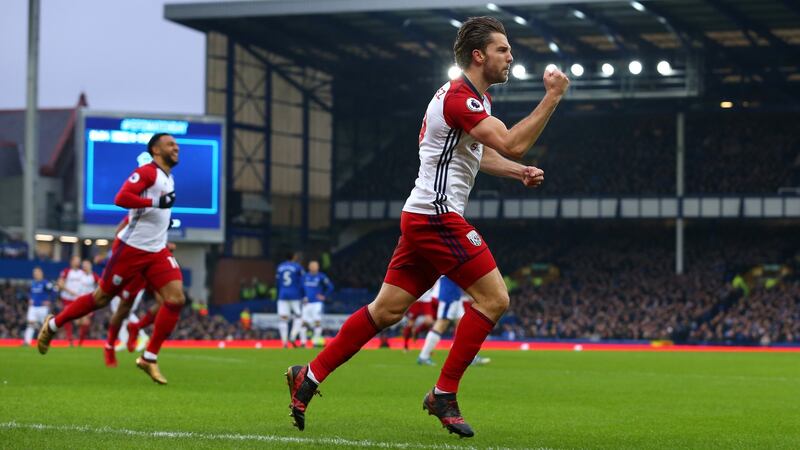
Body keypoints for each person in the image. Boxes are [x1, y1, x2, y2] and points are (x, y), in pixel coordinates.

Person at [286, 16, 568, 437]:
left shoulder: (470, 100)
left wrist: (517, 172)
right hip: (437, 216)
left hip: (421, 214)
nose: (511, 57)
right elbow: (510, 140)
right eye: (502, 50)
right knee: (494, 300)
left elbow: (482, 153)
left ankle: (307, 376)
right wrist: (553, 97)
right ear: (478, 55)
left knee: (386, 311)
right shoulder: (460, 98)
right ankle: (443, 394)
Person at [37, 132, 185, 385]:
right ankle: (53, 325)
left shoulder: (168, 178)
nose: (177, 147)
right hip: (132, 250)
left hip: (157, 251)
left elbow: (155, 210)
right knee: (101, 299)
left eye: (176, 144)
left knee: (176, 299)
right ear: (156, 150)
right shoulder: (149, 172)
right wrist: (157, 202)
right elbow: (122, 198)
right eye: (170, 144)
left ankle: (149, 358)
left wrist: (163, 217)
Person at [417, 276, 490, 367]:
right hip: (449, 294)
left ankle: (468, 356)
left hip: (454, 294)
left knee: (463, 325)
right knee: (441, 324)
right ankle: (424, 356)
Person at [301, 260, 334, 347]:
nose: (314, 267)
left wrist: (324, 296)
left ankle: (315, 342)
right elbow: (300, 288)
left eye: (315, 266)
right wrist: (303, 297)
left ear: (318, 267)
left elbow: (330, 287)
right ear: (309, 267)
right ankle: (303, 343)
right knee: (304, 323)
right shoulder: (305, 277)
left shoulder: (321, 276)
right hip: (306, 303)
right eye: (312, 266)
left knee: (317, 322)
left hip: (317, 303)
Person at [276, 252, 305, 348]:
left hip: (282, 295)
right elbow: (302, 282)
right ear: (294, 257)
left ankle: (284, 343)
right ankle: (292, 336)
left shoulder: (280, 267)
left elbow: (277, 282)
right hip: (295, 295)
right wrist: (303, 295)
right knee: (299, 317)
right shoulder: (298, 267)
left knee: (283, 319)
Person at [401, 281, 438, 352]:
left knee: (429, 321)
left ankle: (417, 331)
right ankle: (405, 346)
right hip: (416, 299)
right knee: (410, 323)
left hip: (427, 299)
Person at [56, 255, 83, 345]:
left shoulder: (82, 273)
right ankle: (70, 339)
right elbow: (60, 283)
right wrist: (71, 292)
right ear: (72, 262)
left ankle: (80, 338)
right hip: (67, 299)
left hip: (79, 299)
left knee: (80, 321)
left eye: (79, 260)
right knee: (67, 318)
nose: (78, 262)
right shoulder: (66, 271)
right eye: (76, 260)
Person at [24, 267, 54, 346]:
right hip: (33, 307)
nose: (35, 274)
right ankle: (27, 342)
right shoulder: (33, 283)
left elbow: (54, 292)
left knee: (44, 326)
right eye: (34, 273)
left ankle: (45, 342)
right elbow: (30, 293)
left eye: (37, 272)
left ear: (41, 273)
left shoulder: (45, 283)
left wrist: (49, 300)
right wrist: (30, 299)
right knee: (30, 324)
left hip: (42, 308)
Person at [76, 260, 100, 346]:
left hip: (89, 301)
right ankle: (79, 338)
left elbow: (101, 285)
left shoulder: (94, 276)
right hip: (78, 300)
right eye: (84, 265)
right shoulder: (79, 275)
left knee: (85, 321)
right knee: (78, 322)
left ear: (90, 266)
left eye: (87, 265)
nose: (85, 266)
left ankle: (81, 341)